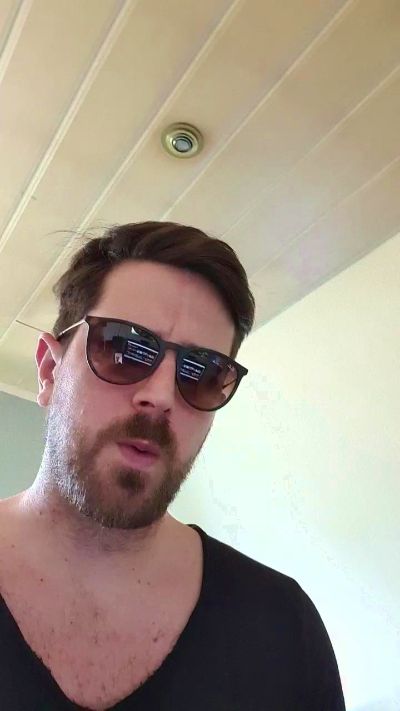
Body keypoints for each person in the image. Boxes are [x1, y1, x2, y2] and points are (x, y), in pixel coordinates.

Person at [0, 221, 346, 710]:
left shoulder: (282, 626)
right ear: (49, 370)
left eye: (202, 373)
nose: (161, 396)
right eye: (124, 347)